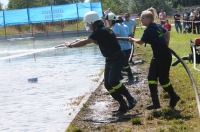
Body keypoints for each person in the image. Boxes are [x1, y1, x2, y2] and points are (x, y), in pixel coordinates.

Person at [64, 11, 137, 114]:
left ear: (92, 22)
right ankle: (123, 104)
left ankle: (130, 99)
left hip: (117, 58)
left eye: (88, 23)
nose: (87, 25)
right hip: (110, 59)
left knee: (113, 81)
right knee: (107, 84)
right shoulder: (103, 29)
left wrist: (70, 45)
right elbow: (96, 40)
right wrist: (85, 40)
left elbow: (85, 42)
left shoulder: (99, 31)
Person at [129, 7, 180, 110]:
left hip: (163, 57)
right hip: (159, 56)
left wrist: (131, 39)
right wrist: (166, 43)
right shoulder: (157, 26)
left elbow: (140, 42)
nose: (141, 20)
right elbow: (167, 33)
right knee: (152, 78)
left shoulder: (149, 30)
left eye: (143, 18)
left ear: (149, 18)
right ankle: (156, 103)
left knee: (163, 80)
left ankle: (174, 96)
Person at [105, 13, 134, 83]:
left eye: (108, 21)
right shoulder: (115, 26)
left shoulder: (116, 26)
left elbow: (117, 37)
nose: (108, 22)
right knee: (123, 63)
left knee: (124, 63)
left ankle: (130, 76)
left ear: (112, 20)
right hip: (123, 47)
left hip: (125, 47)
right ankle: (120, 76)